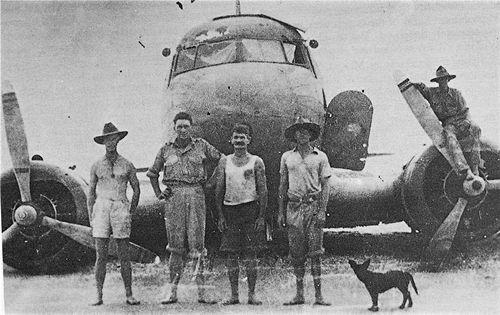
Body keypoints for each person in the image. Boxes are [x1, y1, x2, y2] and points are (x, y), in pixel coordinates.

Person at [147, 111, 221, 304]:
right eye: (179, 126)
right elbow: (153, 173)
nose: (182, 130)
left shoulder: (202, 145)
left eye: (186, 126)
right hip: (174, 197)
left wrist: (211, 182)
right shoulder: (165, 150)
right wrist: (158, 193)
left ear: (191, 127)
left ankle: (202, 294)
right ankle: (172, 292)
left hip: (196, 194)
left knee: (198, 246)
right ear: (174, 128)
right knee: (175, 247)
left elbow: (221, 160)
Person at [278, 117, 331, 306]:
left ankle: (319, 296)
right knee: (296, 254)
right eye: (298, 131)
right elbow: (283, 185)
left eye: (305, 131)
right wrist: (281, 211)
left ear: (311, 134)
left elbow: (325, 186)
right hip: (293, 207)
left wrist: (322, 211)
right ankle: (299, 294)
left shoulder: (320, 156)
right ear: (294, 135)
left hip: (313, 206)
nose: (302, 134)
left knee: (315, 253)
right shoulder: (287, 157)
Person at [213, 123, 268, 305]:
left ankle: (252, 294)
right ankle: (234, 295)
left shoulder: (256, 161)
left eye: (242, 137)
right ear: (231, 140)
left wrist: (261, 216)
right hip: (230, 211)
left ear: (248, 140)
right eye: (236, 137)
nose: (239, 141)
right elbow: (219, 190)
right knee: (231, 254)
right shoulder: (225, 161)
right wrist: (220, 215)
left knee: (251, 254)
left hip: (250, 209)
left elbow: (263, 190)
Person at [88, 122, 140, 306]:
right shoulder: (96, 165)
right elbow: (91, 191)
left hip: (120, 206)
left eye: (113, 138)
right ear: (103, 142)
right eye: (106, 140)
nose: (110, 143)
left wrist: (130, 211)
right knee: (100, 255)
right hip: (101, 207)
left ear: (118, 139)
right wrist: (91, 216)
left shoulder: (127, 164)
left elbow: (136, 189)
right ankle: (98, 295)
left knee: (123, 254)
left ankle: (129, 294)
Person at [414, 66, 482, 178]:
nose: (443, 82)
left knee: (476, 129)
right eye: (440, 80)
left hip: (462, 121)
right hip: (449, 124)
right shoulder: (432, 93)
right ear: (438, 81)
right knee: (450, 136)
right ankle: (465, 169)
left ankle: (475, 167)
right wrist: (414, 84)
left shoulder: (456, 94)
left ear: (448, 80)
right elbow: (423, 89)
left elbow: (465, 111)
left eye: (444, 79)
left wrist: (468, 122)